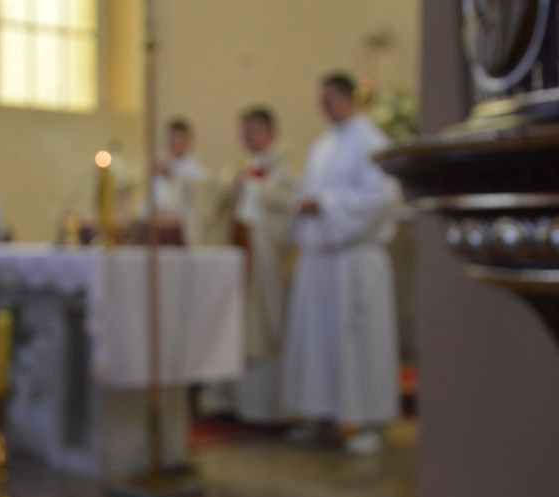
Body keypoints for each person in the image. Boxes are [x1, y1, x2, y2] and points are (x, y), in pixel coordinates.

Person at [282, 72, 401, 455]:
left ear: (348, 98)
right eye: (320, 99)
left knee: (358, 341)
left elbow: (382, 197)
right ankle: (323, 414)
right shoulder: (322, 147)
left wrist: (325, 204)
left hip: (354, 257)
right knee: (319, 341)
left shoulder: (373, 141)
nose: (323, 106)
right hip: (321, 258)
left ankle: (367, 421)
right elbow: (305, 192)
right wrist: (305, 204)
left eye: (329, 98)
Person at [202, 107, 297, 422]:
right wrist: (233, 186)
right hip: (242, 251)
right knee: (236, 325)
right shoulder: (242, 166)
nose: (244, 138)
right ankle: (232, 402)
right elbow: (220, 199)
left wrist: (255, 188)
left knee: (262, 329)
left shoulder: (285, 164)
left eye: (249, 131)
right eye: (241, 132)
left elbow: (290, 203)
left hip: (266, 258)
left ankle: (266, 408)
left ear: (267, 130)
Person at [152, 118, 213, 245]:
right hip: (162, 233)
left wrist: (174, 177)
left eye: (176, 138)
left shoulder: (200, 174)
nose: (172, 143)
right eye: (169, 139)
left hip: (187, 236)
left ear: (188, 141)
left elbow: (202, 207)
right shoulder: (162, 174)